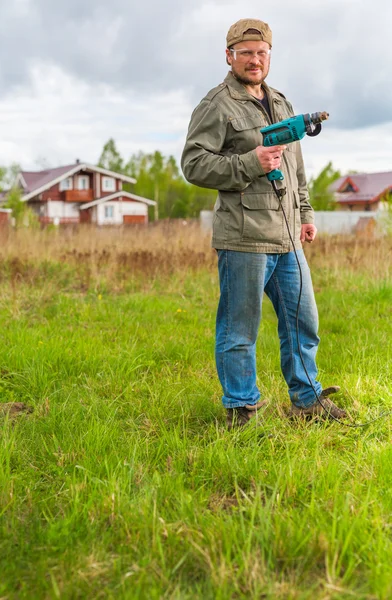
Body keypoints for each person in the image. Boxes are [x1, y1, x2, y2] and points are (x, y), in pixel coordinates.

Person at [181, 18, 347, 429]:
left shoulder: (282, 103)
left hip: (288, 236)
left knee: (302, 321)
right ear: (229, 56)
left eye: (261, 52)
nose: (254, 60)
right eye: (246, 53)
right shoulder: (216, 104)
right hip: (243, 238)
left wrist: (305, 214)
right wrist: (248, 163)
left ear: (269, 55)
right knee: (240, 329)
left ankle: (306, 401)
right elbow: (194, 163)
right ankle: (242, 409)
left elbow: (296, 168)